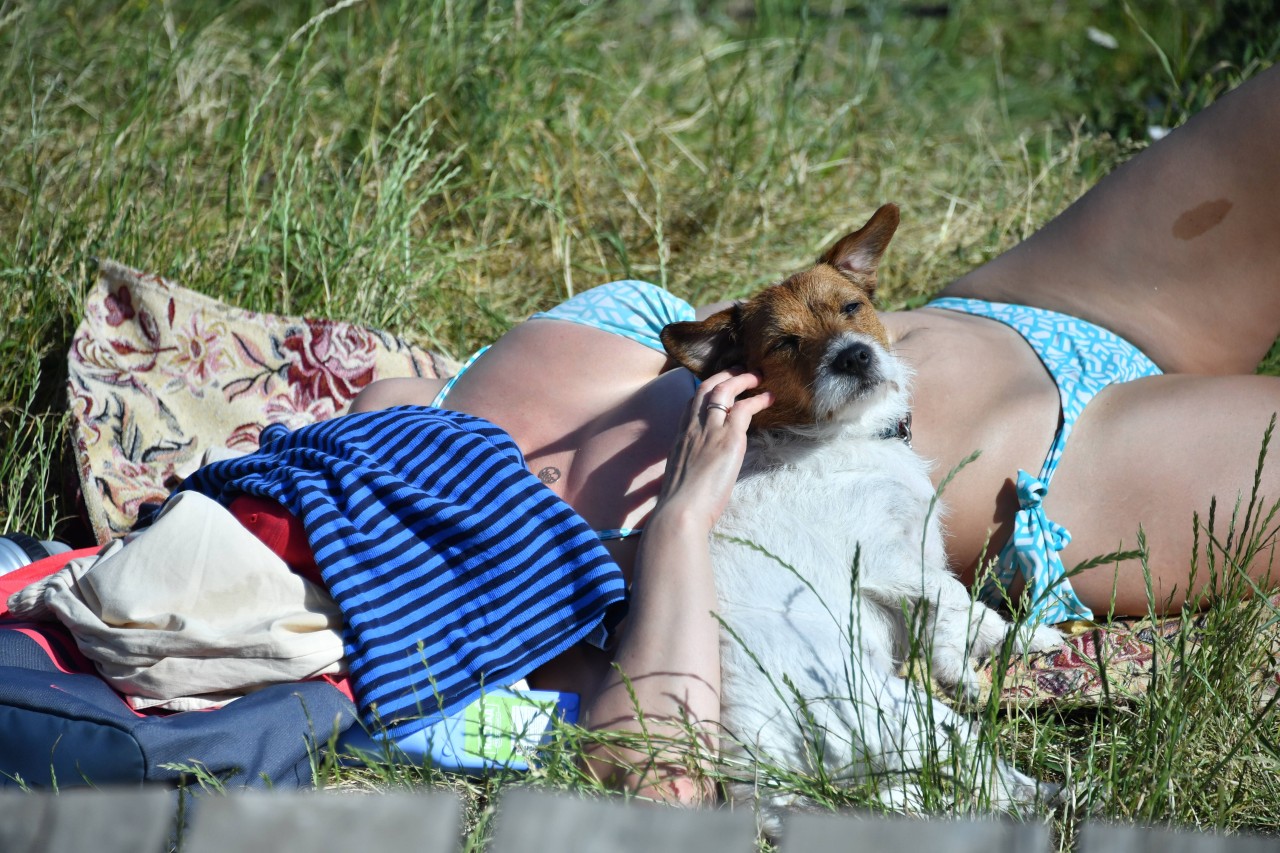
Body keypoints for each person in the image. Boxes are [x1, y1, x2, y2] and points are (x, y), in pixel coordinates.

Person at [347, 65, 1277, 801]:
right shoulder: (496, 625)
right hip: (1065, 472)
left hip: (1021, 302)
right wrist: (676, 522)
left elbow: (387, 384)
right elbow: (652, 771)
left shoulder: (444, 411)